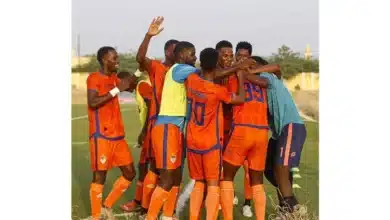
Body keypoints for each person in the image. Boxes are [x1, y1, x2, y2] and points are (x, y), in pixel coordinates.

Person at [125, 16, 179, 216]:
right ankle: (148, 207)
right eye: (176, 51)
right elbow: (140, 59)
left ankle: (160, 209)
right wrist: (149, 35)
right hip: (159, 125)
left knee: (169, 170)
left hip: (176, 126)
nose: (180, 54)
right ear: (167, 52)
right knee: (157, 168)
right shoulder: (158, 67)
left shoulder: (181, 72)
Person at [186, 48, 246, 220]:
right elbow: (240, 98)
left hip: (192, 140)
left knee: (198, 182)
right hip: (210, 142)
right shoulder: (217, 91)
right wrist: (240, 77)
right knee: (212, 184)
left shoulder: (192, 80)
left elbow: (205, 73)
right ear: (215, 65)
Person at [245, 56, 307, 217]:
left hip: (290, 126)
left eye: (249, 64)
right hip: (279, 132)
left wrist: (245, 72)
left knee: (281, 168)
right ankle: (290, 204)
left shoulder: (267, 76)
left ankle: (289, 209)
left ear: (258, 66)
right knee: (269, 169)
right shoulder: (261, 82)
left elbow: (276, 67)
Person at [87, 46, 137, 220]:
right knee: (99, 176)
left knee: (130, 172)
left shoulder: (115, 78)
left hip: (118, 136)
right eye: (114, 58)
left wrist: (136, 75)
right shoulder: (94, 78)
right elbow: (92, 102)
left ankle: (106, 206)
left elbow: (129, 87)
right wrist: (117, 89)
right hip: (101, 135)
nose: (117, 61)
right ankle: (96, 216)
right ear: (104, 59)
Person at [220, 55, 270, 220]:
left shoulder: (235, 77)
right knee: (257, 181)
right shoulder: (262, 82)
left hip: (243, 129)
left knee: (226, 177)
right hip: (262, 132)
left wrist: (237, 68)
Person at [120, 71, 153, 213]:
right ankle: (141, 202)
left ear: (129, 80)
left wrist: (145, 131)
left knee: (146, 167)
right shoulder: (140, 87)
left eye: (122, 83)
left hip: (153, 131)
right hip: (151, 130)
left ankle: (143, 204)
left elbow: (152, 105)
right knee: (144, 167)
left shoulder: (143, 85)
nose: (122, 88)